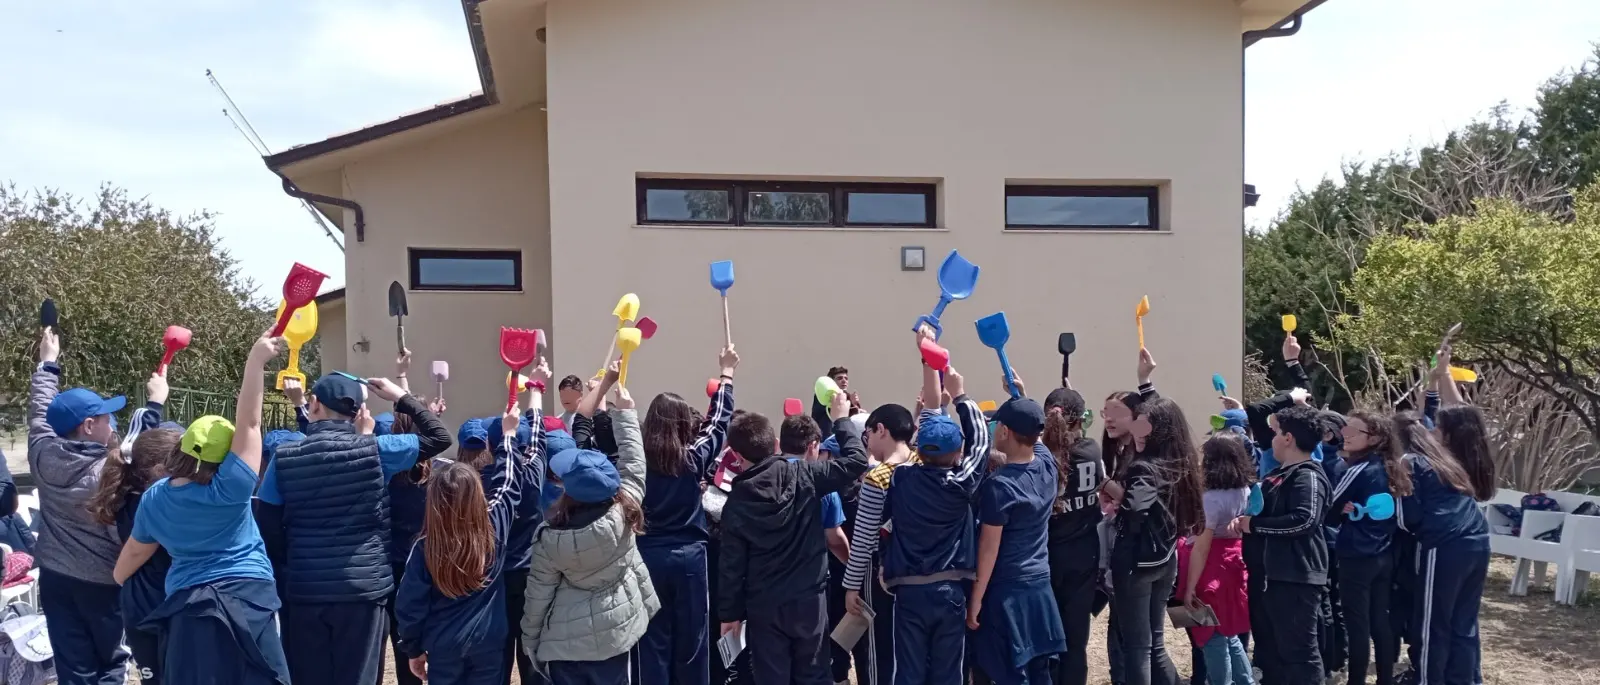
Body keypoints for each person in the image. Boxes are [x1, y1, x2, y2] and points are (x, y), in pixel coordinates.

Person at [112, 332, 290, 684]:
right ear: (225, 458)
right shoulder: (233, 486)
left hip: (189, 605)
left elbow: (135, 551)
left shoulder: (154, 498)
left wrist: (117, 579)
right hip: (249, 597)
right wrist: (255, 361)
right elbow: (250, 422)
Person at [256, 370, 452, 685]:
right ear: (359, 412)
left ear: (314, 403)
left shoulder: (284, 458)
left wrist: (295, 566)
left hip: (306, 588)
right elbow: (439, 437)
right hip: (363, 589)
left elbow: (268, 526)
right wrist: (400, 397)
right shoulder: (378, 450)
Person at [398, 365, 545, 685]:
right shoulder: (493, 526)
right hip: (488, 640)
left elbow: (410, 602)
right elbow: (508, 484)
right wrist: (509, 436)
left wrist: (413, 647)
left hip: (443, 644)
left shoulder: (426, 545)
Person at [849, 351, 987, 685]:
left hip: (909, 591)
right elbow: (981, 443)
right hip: (950, 588)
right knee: (948, 672)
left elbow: (865, 537)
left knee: (907, 672)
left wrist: (929, 363)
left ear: (918, 448)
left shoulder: (899, 477)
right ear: (958, 452)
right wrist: (961, 397)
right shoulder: (961, 482)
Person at [28, 324, 154, 685]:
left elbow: (40, 409)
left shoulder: (40, 452)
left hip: (55, 577)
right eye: (103, 417)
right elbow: (148, 453)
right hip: (103, 583)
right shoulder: (110, 470)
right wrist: (155, 403)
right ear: (87, 426)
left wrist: (47, 364)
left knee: (73, 666)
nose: (110, 423)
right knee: (112, 664)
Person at [718, 389, 868, 685]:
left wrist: (729, 613)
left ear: (736, 455)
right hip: (808, 599)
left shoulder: (737, 499)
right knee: (814, 674)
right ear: (774, 443)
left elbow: (731, 563)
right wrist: (841, 421)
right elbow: (856, 461)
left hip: (765, 603)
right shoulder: (807, 476)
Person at [522, 364, 658, 684]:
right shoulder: (625, 511)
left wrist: (530, 642)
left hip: (565, 645)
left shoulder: (550, 538)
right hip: (615, 636)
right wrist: (626, 413)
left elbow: (538, 596)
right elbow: (634, 464)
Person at [637, 346, 739, 685]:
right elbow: (718, 422)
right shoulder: (692, 458)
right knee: (693, 642)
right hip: (689, 557)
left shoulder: (635, 464)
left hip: (646, 556)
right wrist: (726, 374)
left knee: (651, 641)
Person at [1393, 345, 1491, 685]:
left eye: (1436, 429)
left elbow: (1406, 518)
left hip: (1444, 544)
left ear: (1448, 436)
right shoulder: (1465, 456)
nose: (1429, 431)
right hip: (1476, 540)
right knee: (1464, 623)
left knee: (1433, 623)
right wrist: (1440, 376)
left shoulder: (1432, 461)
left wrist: (1441, 378)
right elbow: (1458, 415)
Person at [968, 385, 1064, 685]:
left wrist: (976, 599)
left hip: (1007, 590)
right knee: (1039, 672)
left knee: (1011, 673)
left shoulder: (1000, 486)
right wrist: (1020, 396)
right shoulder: (1047, 466)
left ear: (1005, 432)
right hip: (1040, 585)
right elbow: (1039, 439)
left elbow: (989, 549)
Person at [1106, 395, 1203, 685]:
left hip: (1137, 563)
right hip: (1165, 558)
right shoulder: (1180, 462)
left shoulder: (1144, 467)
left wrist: (1122, 513)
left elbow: (1136, 508)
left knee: (1137, 647)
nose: (1137, 433)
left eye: (1144, 427)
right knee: (1155, 642)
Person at [1233, 405, 1331, 685]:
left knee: (1298, 654)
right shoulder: (1277, 474)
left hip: (1295, 577)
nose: (1271, 439)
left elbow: (1305, 520)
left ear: (1288, 438)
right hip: (1268, 577)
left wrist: (1254, 525)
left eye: (1275, 433)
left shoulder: (1308, 475)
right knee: (1269, 652)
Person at [839, 399, 921, 685]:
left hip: (880, 573)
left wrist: (851, 586)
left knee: (879, 649)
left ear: (881, 430)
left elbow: (863, 539)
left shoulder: (877, 477)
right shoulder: (923, 464)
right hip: (921, 569)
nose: (868, 442)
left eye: (868, 434)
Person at [89, 423, 176, 684]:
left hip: (139, 604)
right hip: (162, 603)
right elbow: (138, 552)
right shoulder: (158, 503)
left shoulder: (127, 496)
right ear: (161, 470)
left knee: (153, 677)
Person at [1329, 411, 1410, 685]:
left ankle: (1356, 681)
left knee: (1357, 624)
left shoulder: (1358, 469)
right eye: (1345, 429)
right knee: (1379, 620)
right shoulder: (1392, 467)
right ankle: (1385, 679)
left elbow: (1330, 507)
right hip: (1384, 554)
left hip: (1356, 556)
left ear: (1374, 438)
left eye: (1354, 431)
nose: (1346, 434)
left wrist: (1342, 511)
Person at [1178, 432, 1255, 685]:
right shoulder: (1245, 490)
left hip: (1210, 569)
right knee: (1229, 633)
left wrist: (1189, 588)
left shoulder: (1210, 498)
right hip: (1235, 563)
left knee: (1210, 635)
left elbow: (1201, 547)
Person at [379, 411, 449, 685]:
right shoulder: (437, 475)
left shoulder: (382, 473)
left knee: (400, 641)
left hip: (391, 566)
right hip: (429, 564)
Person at [1042, 385, 1103, 685]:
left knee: (1048, 638)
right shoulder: (1091, 450)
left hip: (1048, 555)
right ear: (1080, 419)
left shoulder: (1041, 457)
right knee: (1076, 639)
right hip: (1084, 554)